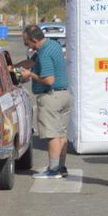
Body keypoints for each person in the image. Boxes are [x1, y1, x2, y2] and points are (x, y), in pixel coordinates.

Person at [19, 24, 70, 179]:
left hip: (50, 97)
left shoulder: (44, 53)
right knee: (61, 134)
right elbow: (31, 62)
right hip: (64, 95)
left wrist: (30, 75)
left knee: (52, 135)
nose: (27, 46)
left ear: (34, 40)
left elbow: (49, 80)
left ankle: (53, 170)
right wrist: (13, 67)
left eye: (27, 42)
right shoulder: (52, 45)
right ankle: (61, 167)